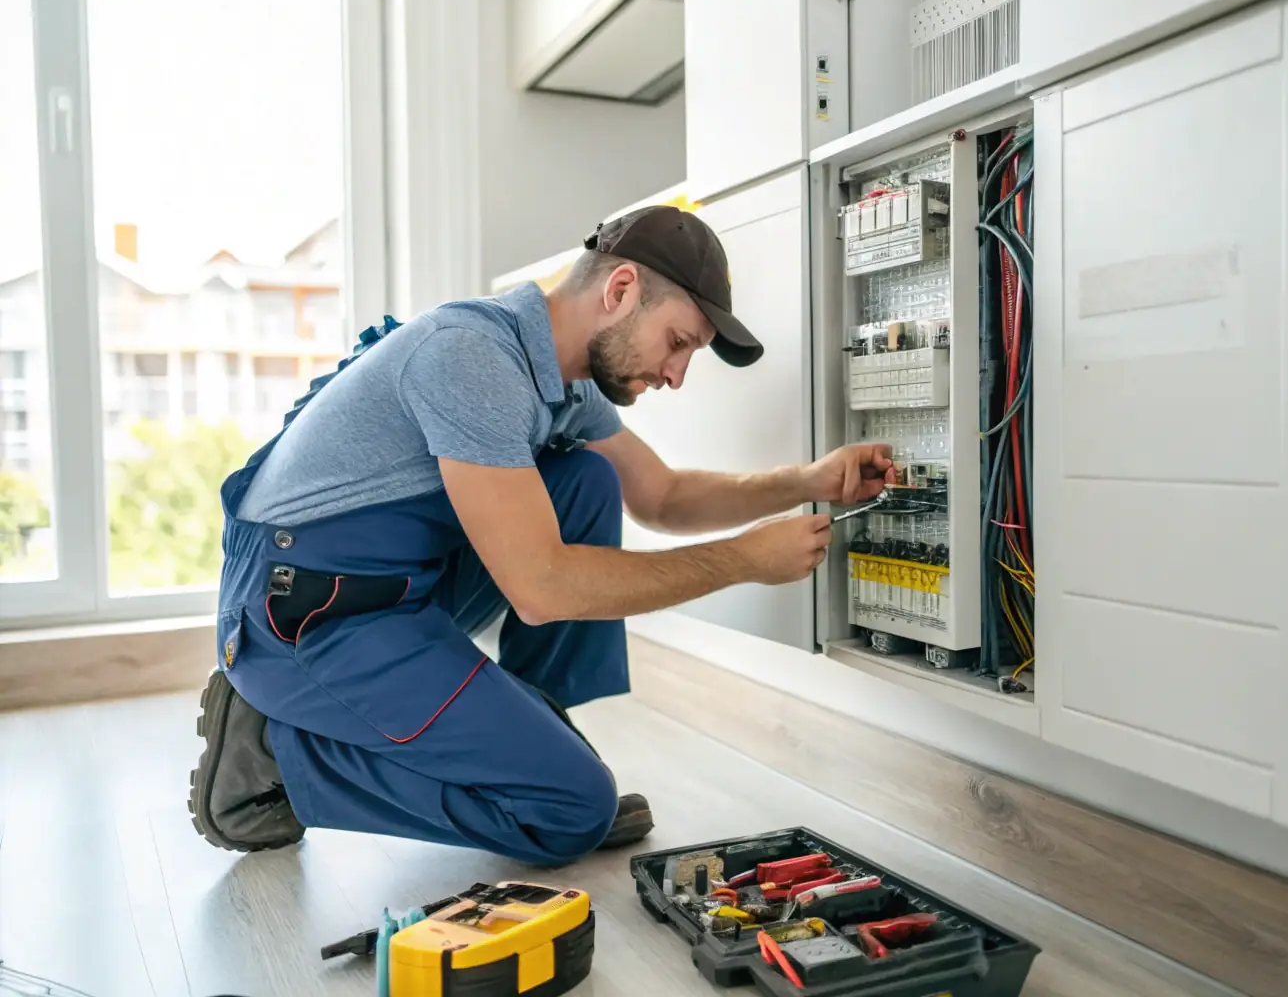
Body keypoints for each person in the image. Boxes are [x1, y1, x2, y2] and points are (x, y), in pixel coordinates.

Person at [189, 205, 893, 865]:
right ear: (619, 289)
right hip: (299, 616)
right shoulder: (469, 357)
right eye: (678, 342)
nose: (676, 374)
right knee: (567, 811)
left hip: (393, 590)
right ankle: (275, 760)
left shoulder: (558, 377)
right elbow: (541, 586)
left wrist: (810, 480)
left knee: (586, 480)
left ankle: (533, 734)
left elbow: (665, 496)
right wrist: (741, 560)